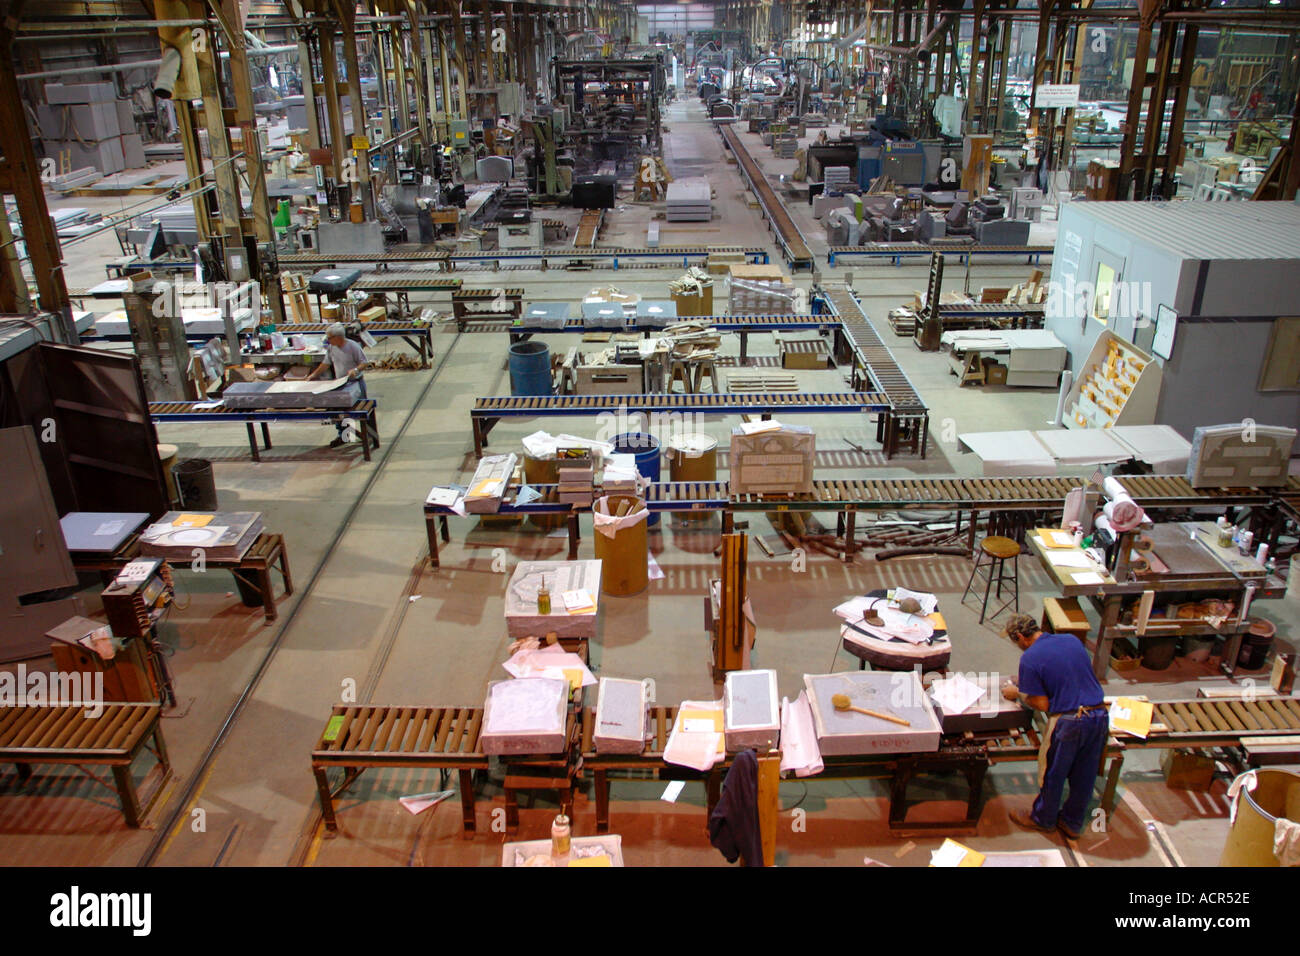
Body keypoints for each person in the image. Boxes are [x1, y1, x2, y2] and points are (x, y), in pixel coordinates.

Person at [1000, 613, 1109, 840]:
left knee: (1054, 772)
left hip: (1070, 722)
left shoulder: (1029, 658)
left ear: (1020, 637)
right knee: (1085, 774)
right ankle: (1072, 822)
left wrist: (1018, 693)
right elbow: (1068, 675)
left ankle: (1043, 818)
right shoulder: (1071, 640)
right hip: (1099, 714)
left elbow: (1042, 703)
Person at [308, 323, 371, 448]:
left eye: (330, 337)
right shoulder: (332, 347)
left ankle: (367, 436)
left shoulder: (353, 346)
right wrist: (313, 375)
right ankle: (345, 436)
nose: (328, 340)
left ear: (338, 337)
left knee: (359, 411)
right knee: (340, 412)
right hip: (340, 383)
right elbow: (326, 363)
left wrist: (356, 370)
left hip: (355, 383)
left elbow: (364, 363)